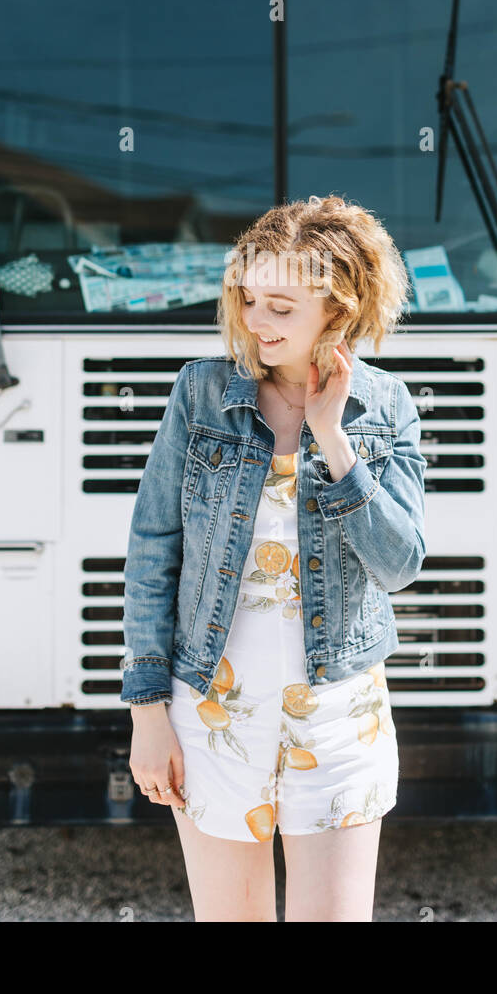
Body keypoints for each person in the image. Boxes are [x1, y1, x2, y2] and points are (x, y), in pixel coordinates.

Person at [122, 194, 427, 921]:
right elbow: (152, 551)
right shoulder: (201, 395)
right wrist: (148, 714)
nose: (257, 321)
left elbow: (400, 564)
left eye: (282, 307)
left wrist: (333, 438)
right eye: (250, 298)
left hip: (339, 715)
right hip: (212, 712)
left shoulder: (384, 407)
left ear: (340, 308)